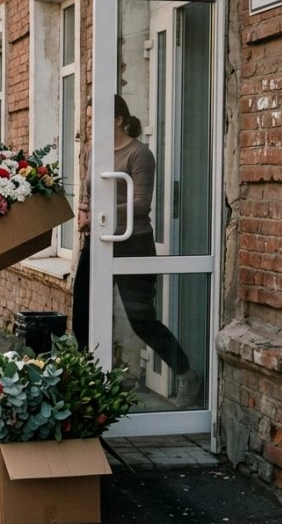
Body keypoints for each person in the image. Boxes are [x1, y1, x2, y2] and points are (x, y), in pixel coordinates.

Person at [71, 95, 202, 408]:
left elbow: (142, 204)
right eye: (87, 119)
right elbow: (88, 191)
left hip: (133, 241)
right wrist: (85, 210)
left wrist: (101, 211)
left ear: (118, 119)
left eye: (94, 119)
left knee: (141, 318)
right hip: (99, 241)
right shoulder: (92, 149)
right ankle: (92, 384)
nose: (89, 125)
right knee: (82, 317)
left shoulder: (139, 154)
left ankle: (187, 374)